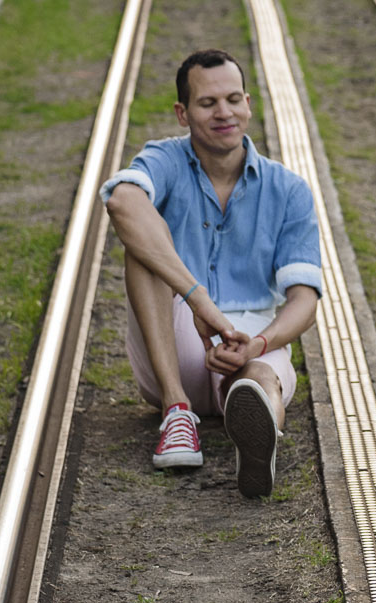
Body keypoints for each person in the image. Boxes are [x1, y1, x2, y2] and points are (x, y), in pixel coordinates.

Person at [99, 49, 321, 497]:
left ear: (249, 103)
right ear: (183, 113)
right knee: (143, 244)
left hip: (251, 341)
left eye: (234, 99)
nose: (225, 113)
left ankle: (256, 442)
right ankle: (176, 411)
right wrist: (200, 302)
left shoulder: (289, 189)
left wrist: (256, 343)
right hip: (175, 339)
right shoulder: (164, 158)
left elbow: (305, 301)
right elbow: (121, 201)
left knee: (260, 378)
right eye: (208, 103)